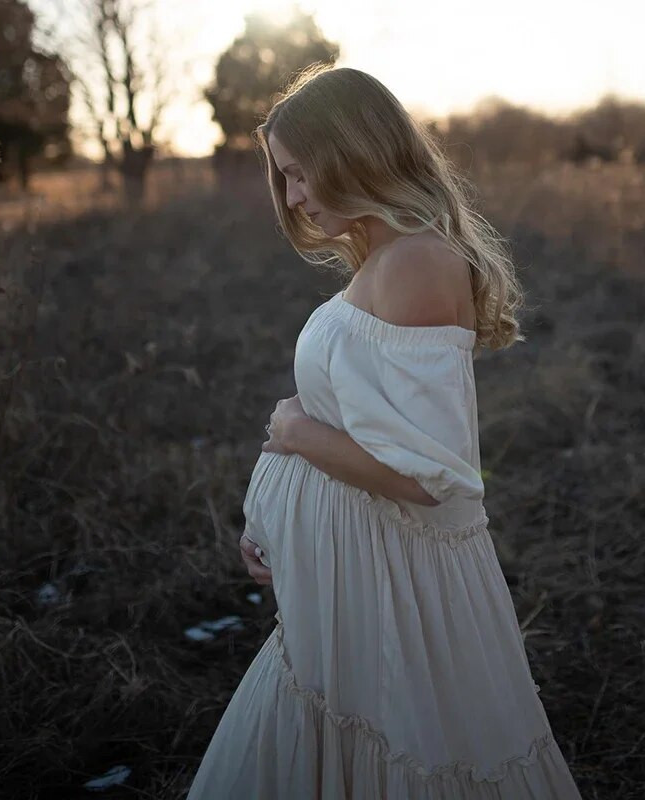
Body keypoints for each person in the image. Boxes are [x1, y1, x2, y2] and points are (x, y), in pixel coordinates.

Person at [186, 64, 583, 799]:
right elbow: (366, 421)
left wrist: (294, 431)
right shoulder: (389, 256)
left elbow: (427, 477)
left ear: (352, 154)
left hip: (394, 584)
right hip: (354, 573)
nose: (296, 197)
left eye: (301, 174)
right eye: (286, 179)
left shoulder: (418, 262)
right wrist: (275, 519)